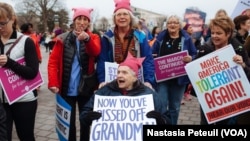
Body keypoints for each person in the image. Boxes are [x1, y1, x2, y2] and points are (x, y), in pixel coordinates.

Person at [80, 52, 171, 141]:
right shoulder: (104, 92)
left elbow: (167, 120)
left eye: (124, 73)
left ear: (135, 77)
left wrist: (160, 120)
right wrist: (88, 117)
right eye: (118, 72)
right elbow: (83, 115)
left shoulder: (149, 94)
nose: (119, 75)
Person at [47, 7, 101, 141]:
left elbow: (96, 52)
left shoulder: (94, 37)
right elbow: (52, 62)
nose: (82, 22)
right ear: (74, 20)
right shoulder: (62, 39)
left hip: (86, 88)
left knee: (86, 122)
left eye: (85, 19)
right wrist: (53, 82)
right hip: (66, 88)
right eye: (79, 19)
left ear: (88, 22)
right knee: (68, 125)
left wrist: (87, 40)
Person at [196, 16, 250, 124]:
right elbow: (195, 71)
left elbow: (248, 72)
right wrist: (190, 62)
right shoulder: (205, 48)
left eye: (219, 33)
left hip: (229, 98)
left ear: (228, 33)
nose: (214, 36)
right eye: (213, 33)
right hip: (208, 97)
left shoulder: (238, 49)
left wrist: (242, 65)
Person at [0, 2, 39, 141]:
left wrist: (9, 63)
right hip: (2, 101)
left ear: (13, 19)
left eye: (3, 23)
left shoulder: (26, 41)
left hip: (24, 100)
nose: (0, 28)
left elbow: (32, 72)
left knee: (26, 136)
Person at [97, 0, 155, 90]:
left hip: (135, 83)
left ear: (130, 17)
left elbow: (148, 59)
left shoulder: (140, 36)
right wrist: (102, 80)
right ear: (114, 18)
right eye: (119, 15)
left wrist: (148, 81)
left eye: (125, 14)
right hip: (114, 82)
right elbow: (102, 60)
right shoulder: (107, 37)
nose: (122, 17)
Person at [151, 14, 197, 125]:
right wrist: (154, 57)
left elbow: (194, 53)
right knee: (161, 105)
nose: (172, 25)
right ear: (166, 25)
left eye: (175, 22)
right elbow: (152, 53)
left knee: (175, 107)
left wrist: (191, 58)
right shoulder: (160, 38)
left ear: (180, 25)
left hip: (179, 80)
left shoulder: (186, 39)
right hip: (162, 79)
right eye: (170, 23)